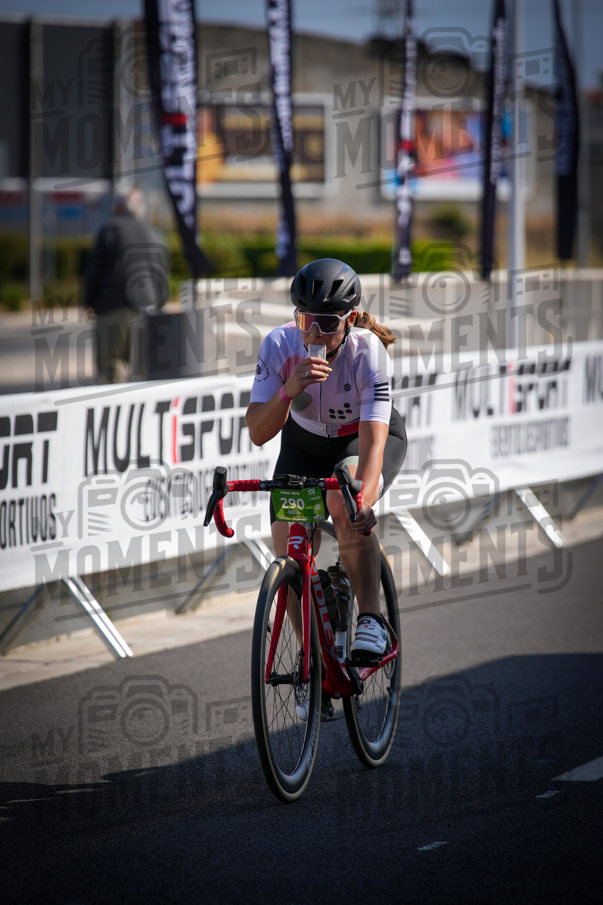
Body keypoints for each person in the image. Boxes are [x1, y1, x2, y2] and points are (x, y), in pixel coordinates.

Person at [246, 258, 407, 677]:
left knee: (344, 496)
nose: (314, 333)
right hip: (304, 442)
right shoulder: (279, 345)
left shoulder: (367, 351)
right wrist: (287, 391)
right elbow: (258, 433)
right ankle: (311, 658)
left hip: (362, 437)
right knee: (288, 545)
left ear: (350, 319)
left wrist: (364, 499)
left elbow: (373, 442)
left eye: (326, 323)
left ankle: (370, 618)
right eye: (305, 320)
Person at [83, 188, 169, 383]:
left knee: (111, 367)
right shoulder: (153, 233)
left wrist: (88, 301)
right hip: (149, 309)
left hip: (114, 306)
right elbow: (163, 274)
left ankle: (108, 411)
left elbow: (93, 269)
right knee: (143, 370)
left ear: (119, 208)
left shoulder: (110, 230)